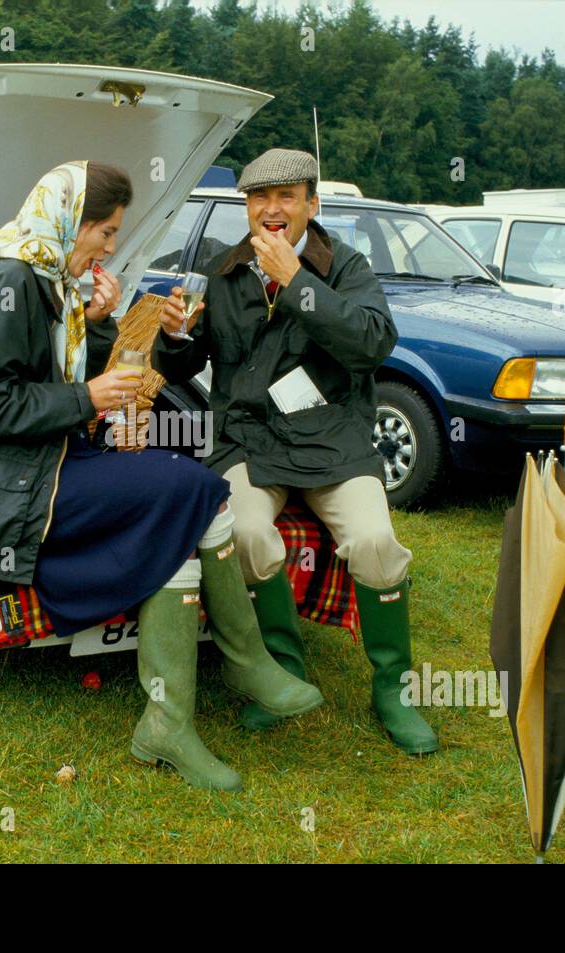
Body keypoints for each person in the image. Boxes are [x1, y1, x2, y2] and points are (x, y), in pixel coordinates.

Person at [0, 160, 323, 790]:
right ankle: (245, 660)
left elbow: (44, 377)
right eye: (105, 232)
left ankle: (169, 722)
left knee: (177, 507)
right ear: (70, 222)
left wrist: (103, 323)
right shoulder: (9, 283)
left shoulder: (46, 279)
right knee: (193, 486)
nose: (112, 247)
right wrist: (90, 397)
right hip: (6, 489)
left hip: (47, 465)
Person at [152, 148, 438, 755]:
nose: (272, 209)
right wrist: (173, 335)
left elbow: (371, 343)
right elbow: (182, 366)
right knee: (247, 533)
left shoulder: (346, 267)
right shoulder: (222, 271)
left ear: (312, 204)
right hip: (248, 441)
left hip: (335, 441)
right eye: (260, 198)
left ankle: (394, 690)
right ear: (248, 207)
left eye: (286, 197)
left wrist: (297, 282)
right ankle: (282, 670)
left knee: (376, 545)